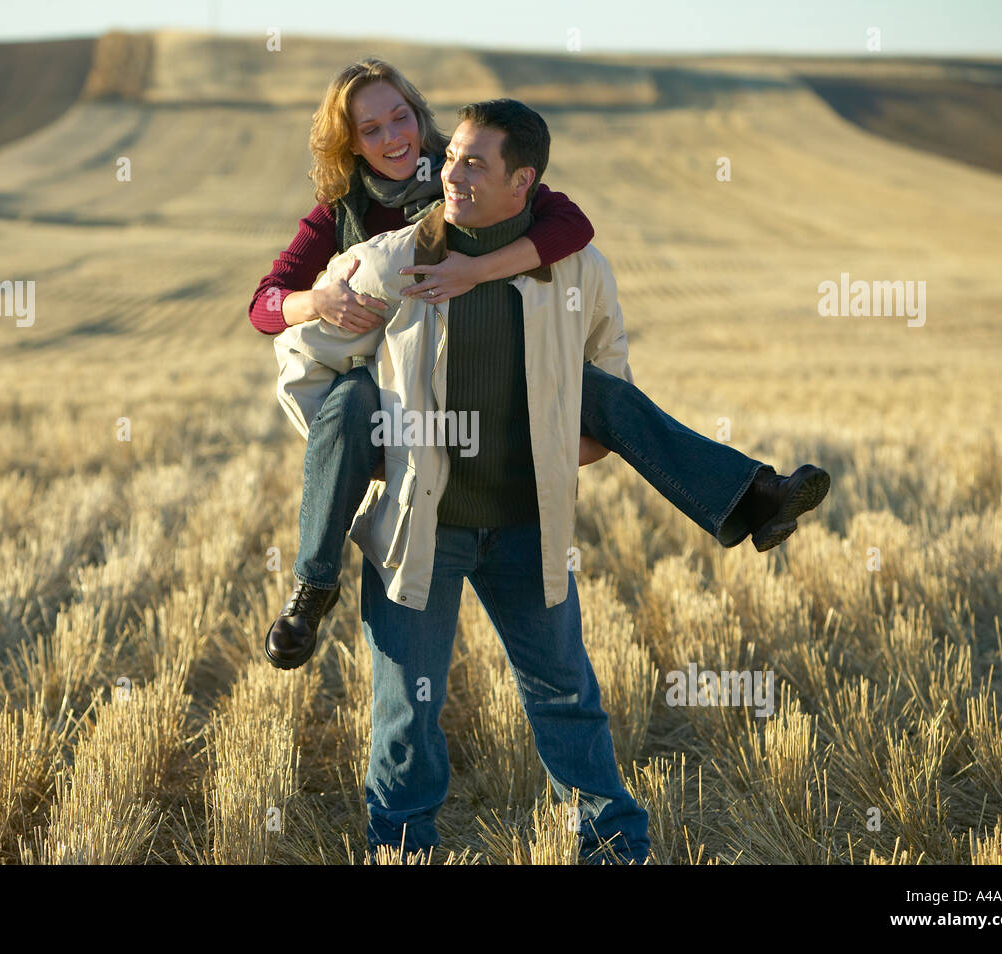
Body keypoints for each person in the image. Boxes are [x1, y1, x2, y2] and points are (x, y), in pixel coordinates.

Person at [251, 58, 830, 672]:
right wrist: (314, 300)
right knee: (347, 404)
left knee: (599, 393)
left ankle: (751, 497)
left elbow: (571, 224)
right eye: (371, 129)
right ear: (350, 142)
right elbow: (264, 305)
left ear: (421, 117)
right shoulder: (337, 215)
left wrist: (475, 268)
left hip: (496, 377)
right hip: (399, 390)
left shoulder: (462, 168)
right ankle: (312, 588)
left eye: (402, 117)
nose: (394, 137)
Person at [275, 98, 669, 862]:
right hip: (419, 529)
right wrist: (372, 450)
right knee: (404, 714)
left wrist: (573, 449)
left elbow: (607, 375)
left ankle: (615, 848)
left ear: (522, 182)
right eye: (449, 154)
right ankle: (401, 851)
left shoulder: (577, 267)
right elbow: (300, 367)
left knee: (567, 698)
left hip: (529, 525)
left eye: (471, 161)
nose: (446, 171)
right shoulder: (390, 258)